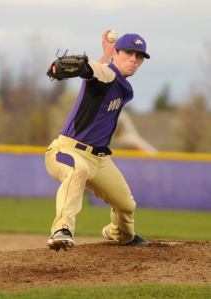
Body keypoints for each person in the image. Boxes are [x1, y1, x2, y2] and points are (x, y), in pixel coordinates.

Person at [45, 30, 150, 251]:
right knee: (78, 170)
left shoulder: (118, 83)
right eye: (129, 53)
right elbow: (93, 71)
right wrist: (79, 66)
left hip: (100, 160)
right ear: (116, 52)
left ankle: (118, 234)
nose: (134, 59)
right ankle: (61, 229)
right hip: (67, 151)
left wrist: (104, 55)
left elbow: (96, 77)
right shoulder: (107, 74)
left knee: (127, 205)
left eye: (139, 56)